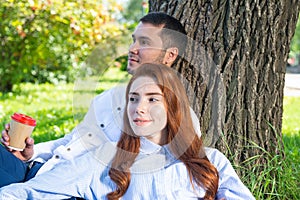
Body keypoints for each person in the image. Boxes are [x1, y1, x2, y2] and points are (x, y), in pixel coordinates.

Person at [0, 12, 254, 199]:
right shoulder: (108, 97)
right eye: (134, 40)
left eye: (144, 43)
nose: (132, 49)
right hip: (45, 172)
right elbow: (70, 141)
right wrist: (32, 154)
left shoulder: (182, 126)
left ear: (170, 55)